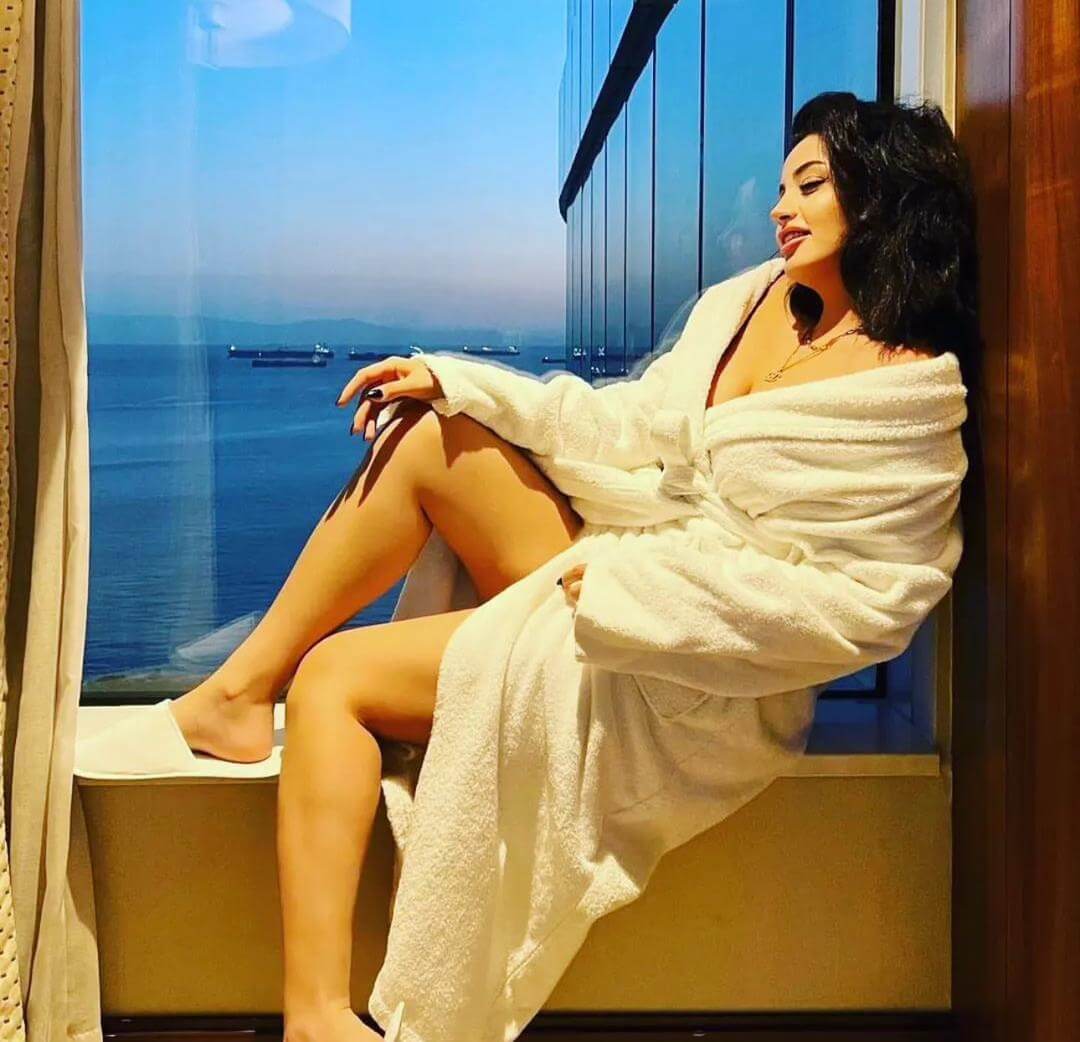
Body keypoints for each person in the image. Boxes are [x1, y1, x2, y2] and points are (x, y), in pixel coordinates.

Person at [165, 90, 980, 1042]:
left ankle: (312, 1017)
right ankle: (238, 690)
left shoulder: (908, 393)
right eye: (783, 185)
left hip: (685, 664)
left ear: (880, 196)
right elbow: (633, 423)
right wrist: (461, 380)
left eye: (811, 184)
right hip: (618, 561)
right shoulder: (751, 301)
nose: (779, 207)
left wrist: (645, 597)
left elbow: (864, 604)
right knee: (432, 432)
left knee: (335, 679)